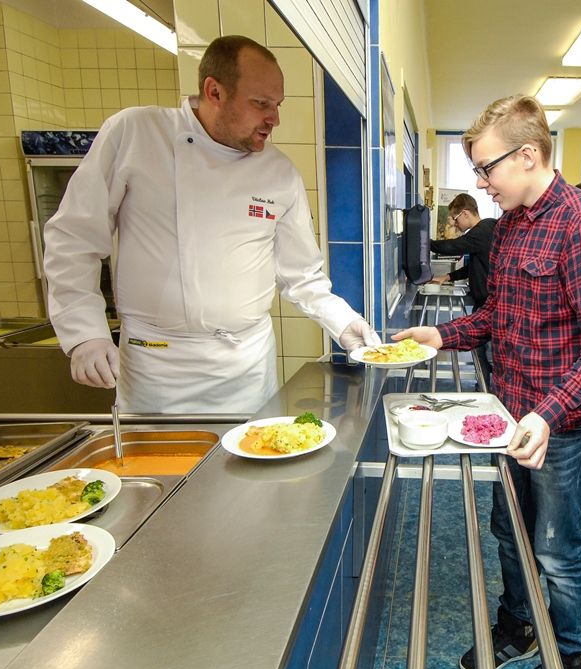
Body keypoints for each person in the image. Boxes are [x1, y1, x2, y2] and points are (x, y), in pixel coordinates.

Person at [394, 95, 581, 669]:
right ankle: (520, 623)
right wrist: (437, 336)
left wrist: (547, 416)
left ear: (527, 155)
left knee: (555, 544)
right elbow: (498, 315)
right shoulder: (511, 225)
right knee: (508, 529)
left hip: (562, 423)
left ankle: (571, 654)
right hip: (510, 413)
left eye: (484, 168)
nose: (479, 181)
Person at [44, 36, 379, 413]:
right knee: (158, 467)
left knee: (248, 465)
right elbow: (74, 238)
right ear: (214, 91)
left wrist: (343, 323)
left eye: (277, 105)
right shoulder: (135, 134)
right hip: (155, 367)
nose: (275, 119)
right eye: (261, 103)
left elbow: (302, 275)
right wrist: (85, 333)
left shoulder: (279, 173)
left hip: (243, 369)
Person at [428, 193, 496, 386]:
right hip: (484, 304)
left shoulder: (482, 231)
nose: (455, 224)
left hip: (488, 306)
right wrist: (446, 277)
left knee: (489, 357)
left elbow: (453, 246)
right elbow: (475, 266)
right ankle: (482, 389)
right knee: (481, 355)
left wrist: (425, 243)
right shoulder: (485, 231)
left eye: (455, 219)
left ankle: (489, 393)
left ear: (465, 214)